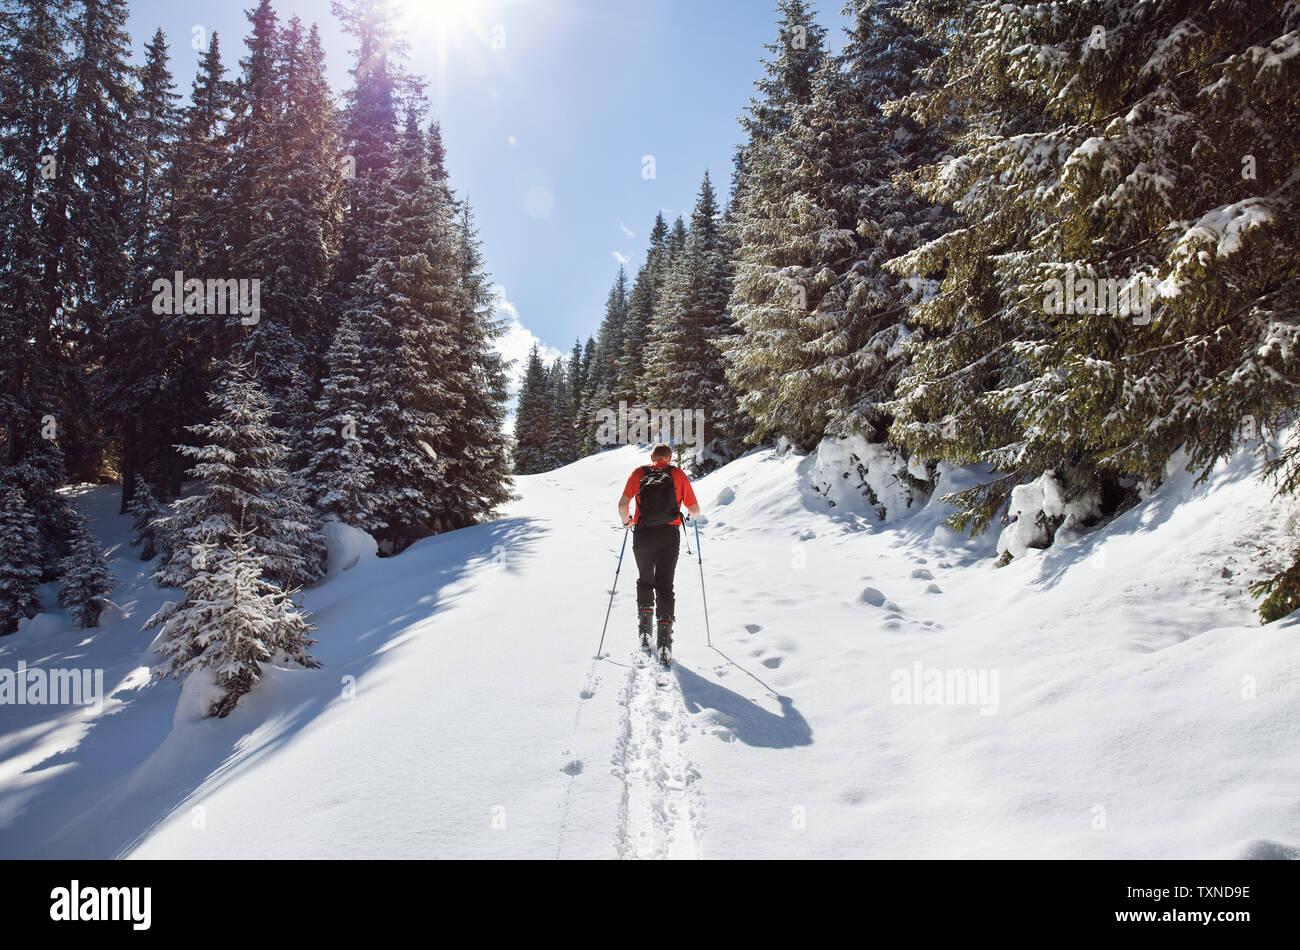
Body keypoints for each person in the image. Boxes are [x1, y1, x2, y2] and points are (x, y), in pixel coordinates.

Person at [618, 443, 701, 659]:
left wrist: (627, 521)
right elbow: (694, 510)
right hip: (669, 534)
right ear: (670, 458)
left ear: (652, 456)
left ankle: (645, 632)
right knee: (665, 584)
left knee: (645, 579)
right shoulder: (677, 474)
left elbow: (622, 505)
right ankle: (665, 641)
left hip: (643, 533)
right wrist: (691, 515)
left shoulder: (639, 472)